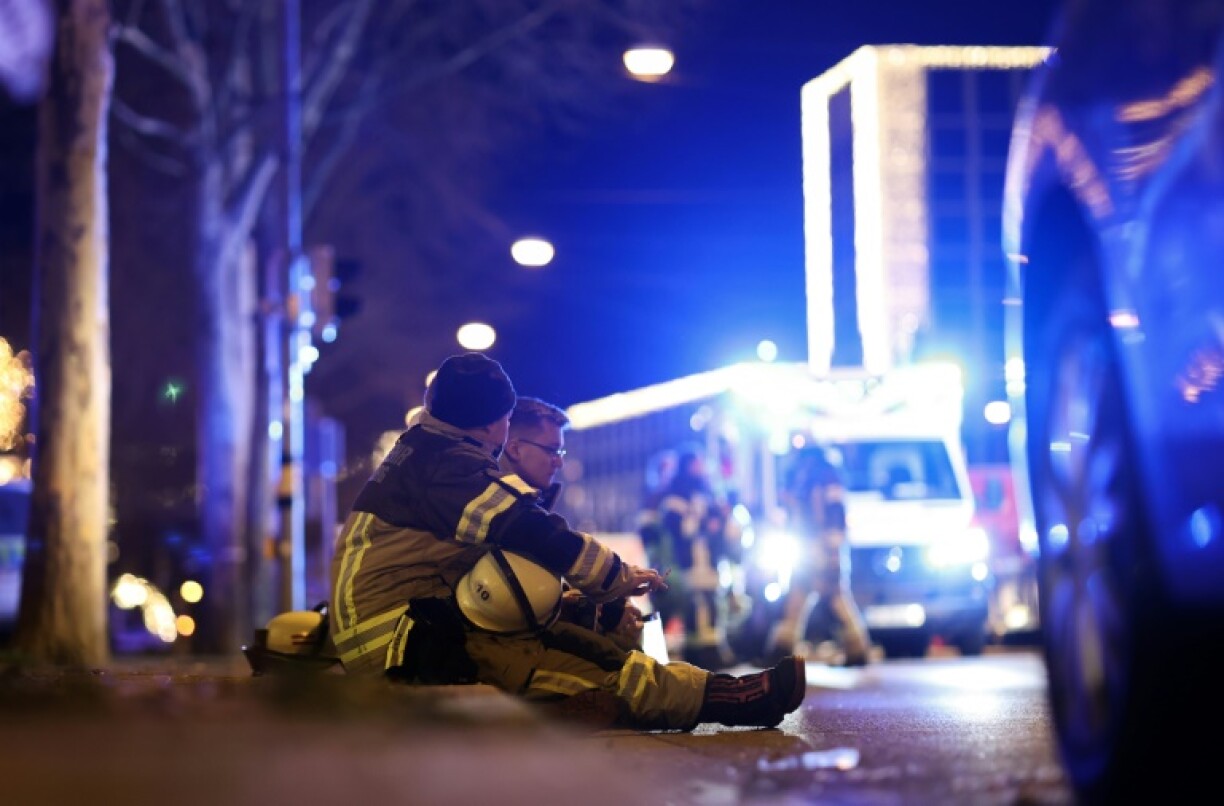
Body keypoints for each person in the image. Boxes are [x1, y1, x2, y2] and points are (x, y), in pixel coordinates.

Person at [329, 352, 807, 731]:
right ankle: (736, 701)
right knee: (588, 673)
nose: (556, 459)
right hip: (407, 641)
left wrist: (588, 601)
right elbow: (530, 531)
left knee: (587, 651)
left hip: (414, 626)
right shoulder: (449, 468)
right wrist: (614, 578)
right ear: (495, 424)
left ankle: (722, 691)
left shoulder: (427, 453)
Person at [499, 395, 643, 650]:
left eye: (560, 451)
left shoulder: (518, 503)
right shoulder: (502, 507)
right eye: (552, 450)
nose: (559, 461)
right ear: (515, 449)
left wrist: (595, 607)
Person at [769, 446, 872, 667]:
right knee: (802, 596)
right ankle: (782, 650)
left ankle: (857, 650)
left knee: (833, 597)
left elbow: (835, 513)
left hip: (823, 546)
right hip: (811, 545)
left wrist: (832, 544)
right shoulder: (810, 481)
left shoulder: (825, 480)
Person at [655, 446, 741, 671]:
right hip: (689, 562)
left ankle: (709, 649)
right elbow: (680, 531)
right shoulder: (674, 499)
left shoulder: (708, 493)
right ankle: (701, 653)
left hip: (709, 560)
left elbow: (719, 524)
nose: (700, 468)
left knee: (712, 603)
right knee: (697, 605)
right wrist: (703, 521)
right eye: (695, 464)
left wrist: (718, 520)